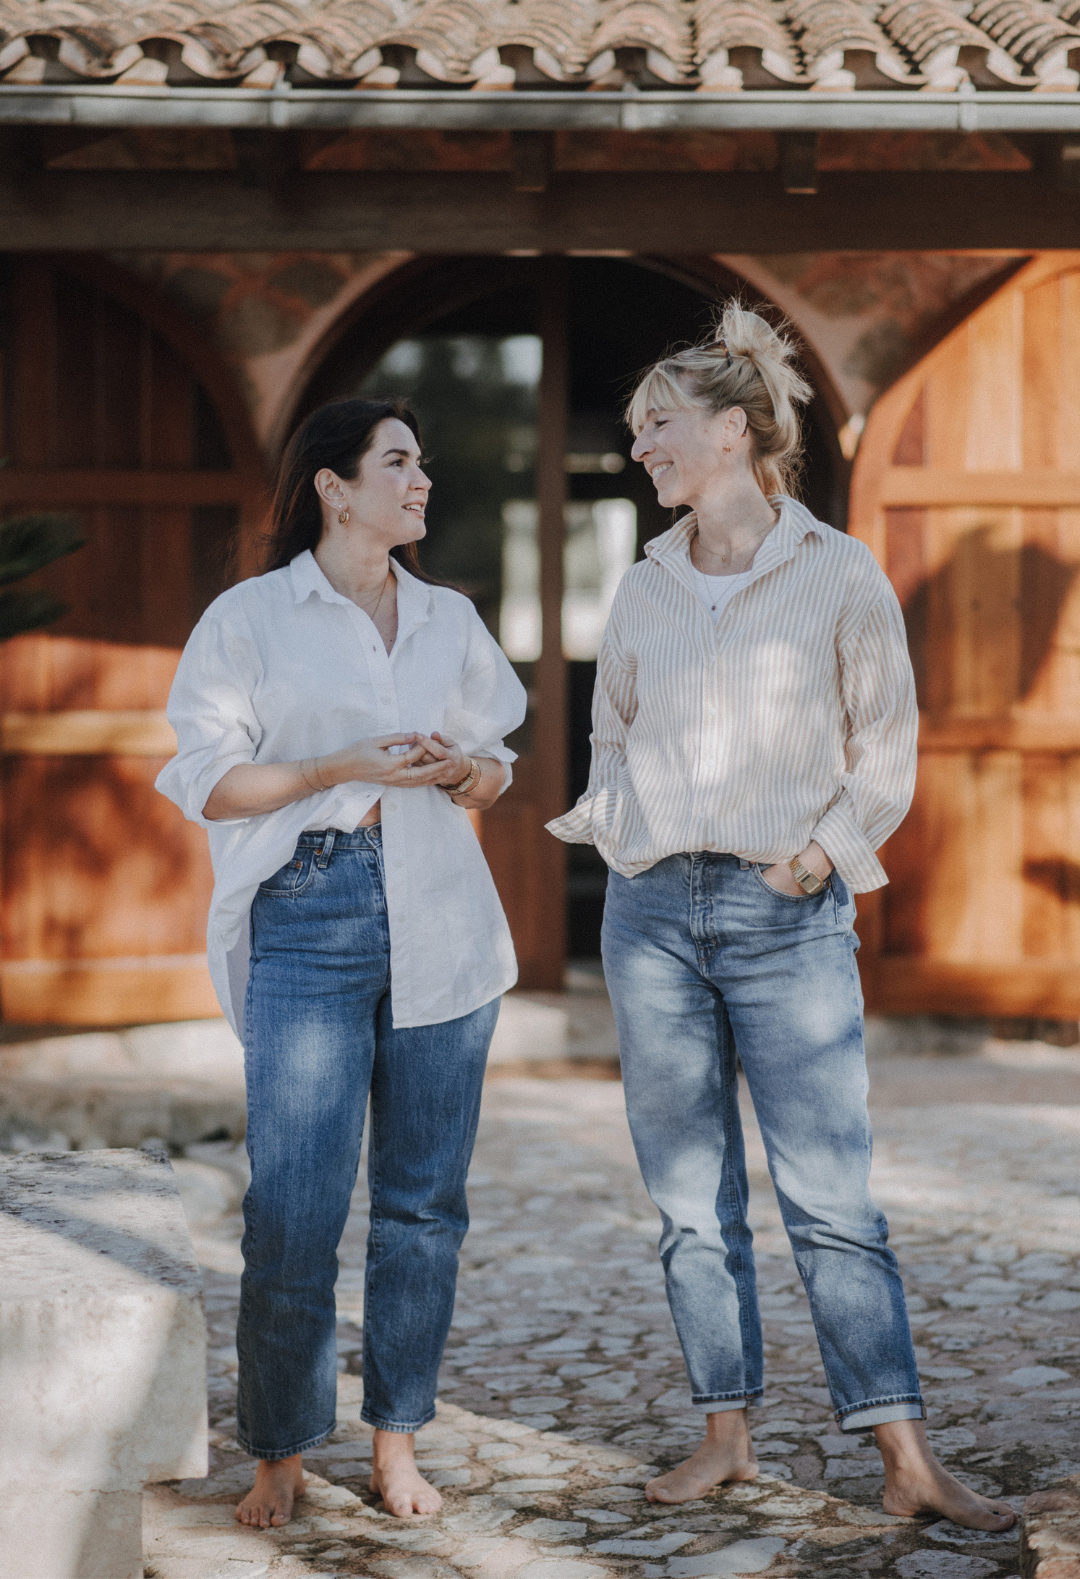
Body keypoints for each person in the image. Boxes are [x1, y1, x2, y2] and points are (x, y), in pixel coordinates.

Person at [547, 304, 1015, 1533]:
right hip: (649, 916)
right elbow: (613, 731)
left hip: (782, 910)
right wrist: (617, 827)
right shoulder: (643, 582)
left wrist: (812, 861)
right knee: (689, 1200)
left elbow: (887, 752)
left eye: (657, 425)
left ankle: (905, 1456)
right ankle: (726, 1435)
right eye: (637, 427)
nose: (637, 444)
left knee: (829, 1198)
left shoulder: (840, 572)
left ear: (734, 430)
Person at [157, 399, 526, 1529]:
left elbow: (499, 765)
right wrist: (333, 767)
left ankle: (396, 1442)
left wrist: (462, 772)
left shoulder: (449, 616)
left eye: (422, 461)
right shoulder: (252, 617)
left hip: (443, 917)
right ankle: (278, 1449)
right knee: (294, 1207)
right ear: (333, 485)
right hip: (308, 912)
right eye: (399, 462)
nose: (422, 480)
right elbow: (207, 782)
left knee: (423, 1207)